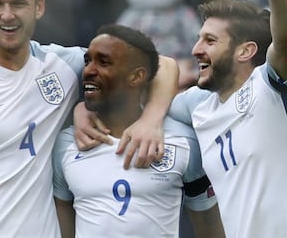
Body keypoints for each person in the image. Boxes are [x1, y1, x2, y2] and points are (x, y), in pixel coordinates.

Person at [0, 0, 178, 237]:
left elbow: (165, 67)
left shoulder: (62, 65)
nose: (7, 16)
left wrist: (150, 121)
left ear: (39, 6)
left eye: (19, 3)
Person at [166, 0, 287, 237]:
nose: (195, 50)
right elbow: (145, 93)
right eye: (198, 39)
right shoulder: (196, 106)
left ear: (245, 51)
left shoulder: (272, 86)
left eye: (210, 41)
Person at [53, 24, 224, 238]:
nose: (88, 70)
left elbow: (211, 231)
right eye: (88, 61)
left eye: (104, 62)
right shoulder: (67, 143)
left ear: (136, 77)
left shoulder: (183, 141)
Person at [117, 0, 200, 91]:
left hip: (176, 78)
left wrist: (191, 70)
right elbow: (117, 44)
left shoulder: (182, 14)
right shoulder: (133, 14)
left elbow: (198, 43)